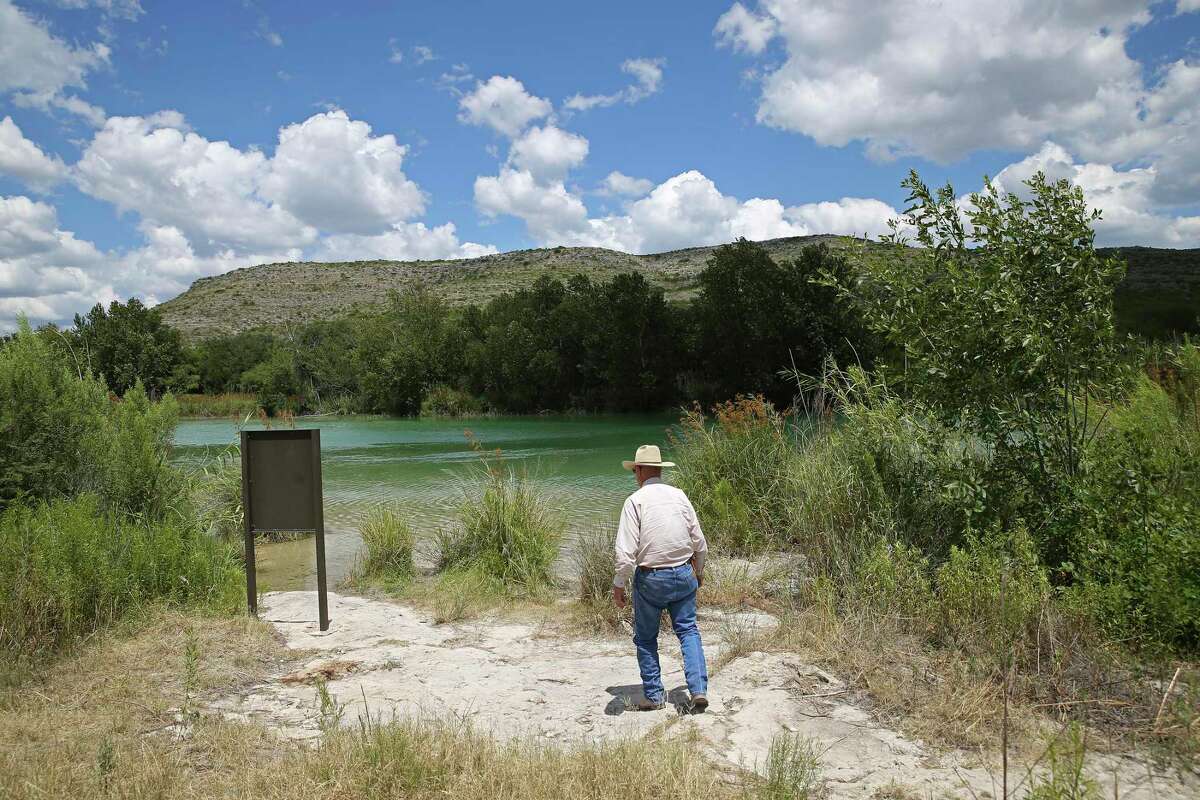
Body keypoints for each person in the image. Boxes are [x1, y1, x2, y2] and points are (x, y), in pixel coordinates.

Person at [612, 444, 709, 711]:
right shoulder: (679, 496)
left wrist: (619, 585)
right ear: (660, 469)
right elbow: (699, 543)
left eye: (635, 470)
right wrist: (698, 572)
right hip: (683, 573)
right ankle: (698, 689)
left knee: (645, 638)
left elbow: (626, 553)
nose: (635, 474)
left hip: (651, 579)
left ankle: (655, 696)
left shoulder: (635, 501)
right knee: (688, 631)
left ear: (640, 470)